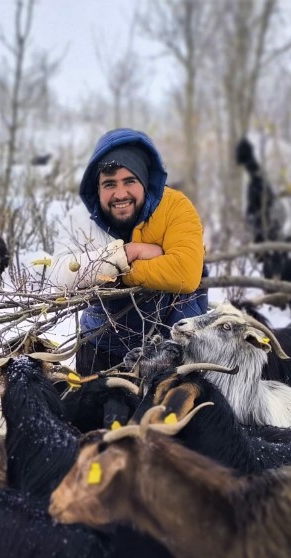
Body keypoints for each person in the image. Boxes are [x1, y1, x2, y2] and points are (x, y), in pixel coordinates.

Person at [43, 128, 209, 374]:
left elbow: (185, 272)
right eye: (109, 184)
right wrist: (125, 254)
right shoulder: (79, 220)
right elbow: (57, 278)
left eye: (129, 181)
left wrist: (112, 275)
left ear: (145, 182)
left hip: (171, 346)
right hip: (102, 341)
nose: (120, 194)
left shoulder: (175, 208)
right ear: (97, 188)